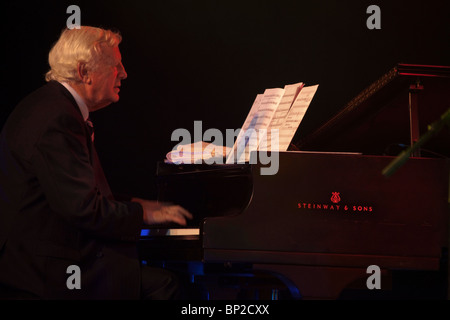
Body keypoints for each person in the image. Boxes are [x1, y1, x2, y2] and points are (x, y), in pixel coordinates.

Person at [0, 26, 192, 299]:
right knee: (167, 285)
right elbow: (82, 208)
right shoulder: (59, 118)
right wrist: (143, 214)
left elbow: (74, 193)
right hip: (45, 272)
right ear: (83, 72)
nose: (124, 72)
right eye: (115, 65)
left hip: (38, 259)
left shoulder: (50, 105)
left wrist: (136, 204)